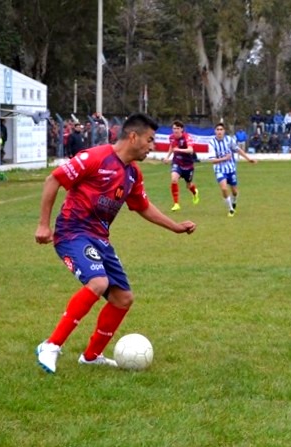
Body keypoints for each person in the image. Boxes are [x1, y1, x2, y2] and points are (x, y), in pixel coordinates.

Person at [34, 113, 196, 374]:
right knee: (98, 282)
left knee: (123, 298)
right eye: (149, 140)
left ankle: (91, 356)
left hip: (100, 239)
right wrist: (44, 225)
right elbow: (53, 179)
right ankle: (51, 345)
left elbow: (142, 206)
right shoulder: (95, 157)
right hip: (72, 233)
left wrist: (175, 227)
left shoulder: (133, 174)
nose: (152, 146)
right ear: (133, 137)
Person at [207, 123, 257, 216]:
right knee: (224, 188)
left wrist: (248, 159)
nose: (219, 131)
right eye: (217, 129)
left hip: (231, 169)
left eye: (221, 129)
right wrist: (225, 158)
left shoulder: (229, 140)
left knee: (234, 191)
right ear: (215, 131)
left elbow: (238, 149)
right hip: (219, 170)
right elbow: (213, 161)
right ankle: (230, 209)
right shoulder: (211, 143)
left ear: (224, 131)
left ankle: (234, 202)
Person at [163, 120, 199, 212]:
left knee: (188, 185)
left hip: (188, 165)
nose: (175, 130)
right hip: (177, 162)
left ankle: (195, 192)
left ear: (182, 129)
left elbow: (190, 150)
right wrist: (167, 157)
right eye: (174, 128)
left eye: (177, 128)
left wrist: (178, 150)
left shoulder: (187, 137)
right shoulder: (171, 137)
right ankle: (176, 204)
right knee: (174, 179)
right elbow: (172, 147)